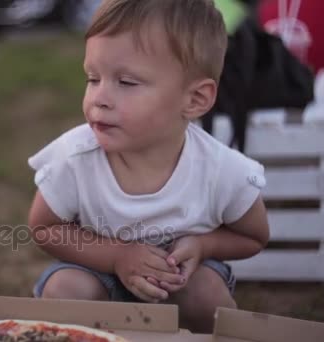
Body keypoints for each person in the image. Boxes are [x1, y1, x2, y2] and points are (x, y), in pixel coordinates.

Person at [27, 0, 270, 333]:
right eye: (93, 78)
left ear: (194, 100)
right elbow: (44, 228)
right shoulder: (75, 157)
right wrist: (116, 256)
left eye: (126, 83)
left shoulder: (221, 170)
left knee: (205, 297)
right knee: (66, 290)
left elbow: (254, 236)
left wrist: (203, 245)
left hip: (180, 279)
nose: (100, 97)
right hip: (98, 274)